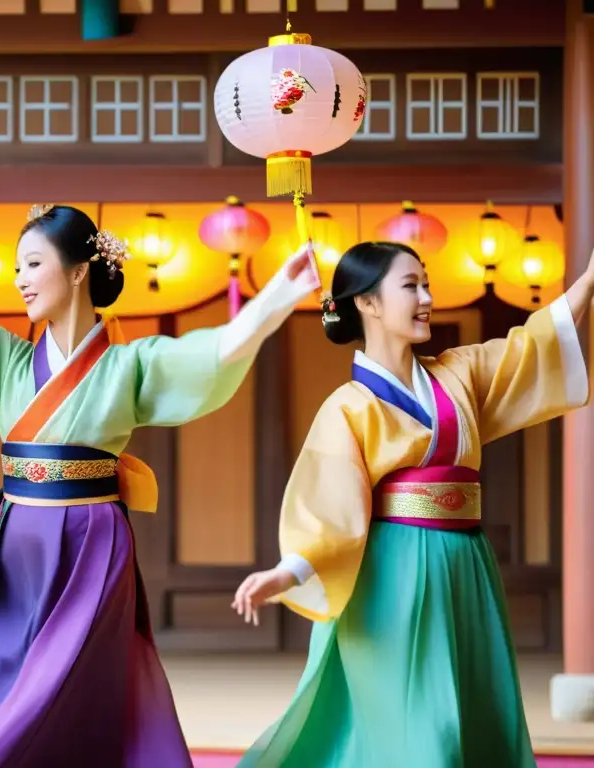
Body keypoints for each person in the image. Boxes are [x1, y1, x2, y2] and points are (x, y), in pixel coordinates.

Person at [0, 195, 321, 768]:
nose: (19, 279)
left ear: (78, 271)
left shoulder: (128, 366)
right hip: (16, 535)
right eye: (17, 266)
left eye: (32, 263)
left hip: (91, 540)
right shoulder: (8, 362)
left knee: (69, 674)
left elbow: (209, 354)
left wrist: (276, 296)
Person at [232, 241, 594, 767]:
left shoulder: (458, 374)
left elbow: (529, 348)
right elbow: (327, 508)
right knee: (418, 723)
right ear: (368, 303)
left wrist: (586, 284)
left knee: (473, 707)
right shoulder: (349, 407)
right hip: (389, 575)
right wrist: (289, 572)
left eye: (427, 285)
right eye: (411, 286)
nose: (426, 298)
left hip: (465, 564)